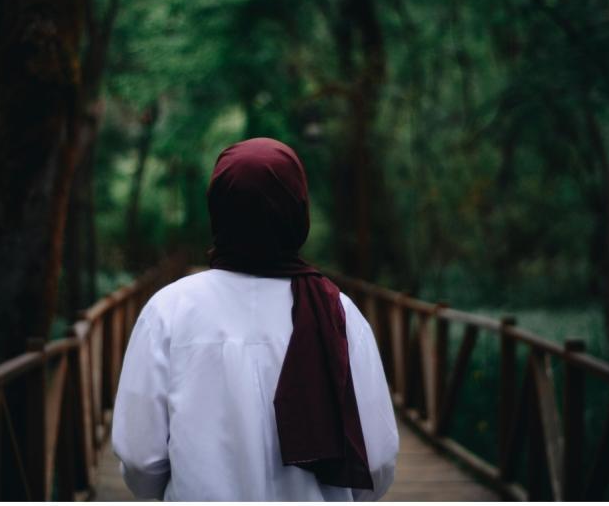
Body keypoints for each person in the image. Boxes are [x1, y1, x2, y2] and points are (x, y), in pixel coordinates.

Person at [111, 137, 399, 501]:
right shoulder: (340, 313)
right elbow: (377, 461)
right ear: (297, 209)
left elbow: (140, 459)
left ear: (219, 208)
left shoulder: (168, 310)